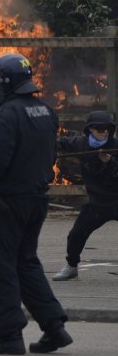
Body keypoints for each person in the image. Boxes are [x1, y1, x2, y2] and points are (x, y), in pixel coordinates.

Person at [0, 53, 72, 355]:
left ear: (5, 83)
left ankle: (8, 335)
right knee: (25, 262)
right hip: (36, 200)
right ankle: (54, 327)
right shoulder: (46, 110)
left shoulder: (8, 114)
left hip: (7, 201)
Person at [53, 111, 118, 281]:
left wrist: (110, 163)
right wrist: (50, 149)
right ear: (90, 129)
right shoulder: (80, 144)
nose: (104, 131)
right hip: (97, 203)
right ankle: (71, 266)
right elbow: (60, 143)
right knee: (76, 234)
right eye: (99, 128)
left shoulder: (115, 145)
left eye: (107, 129)